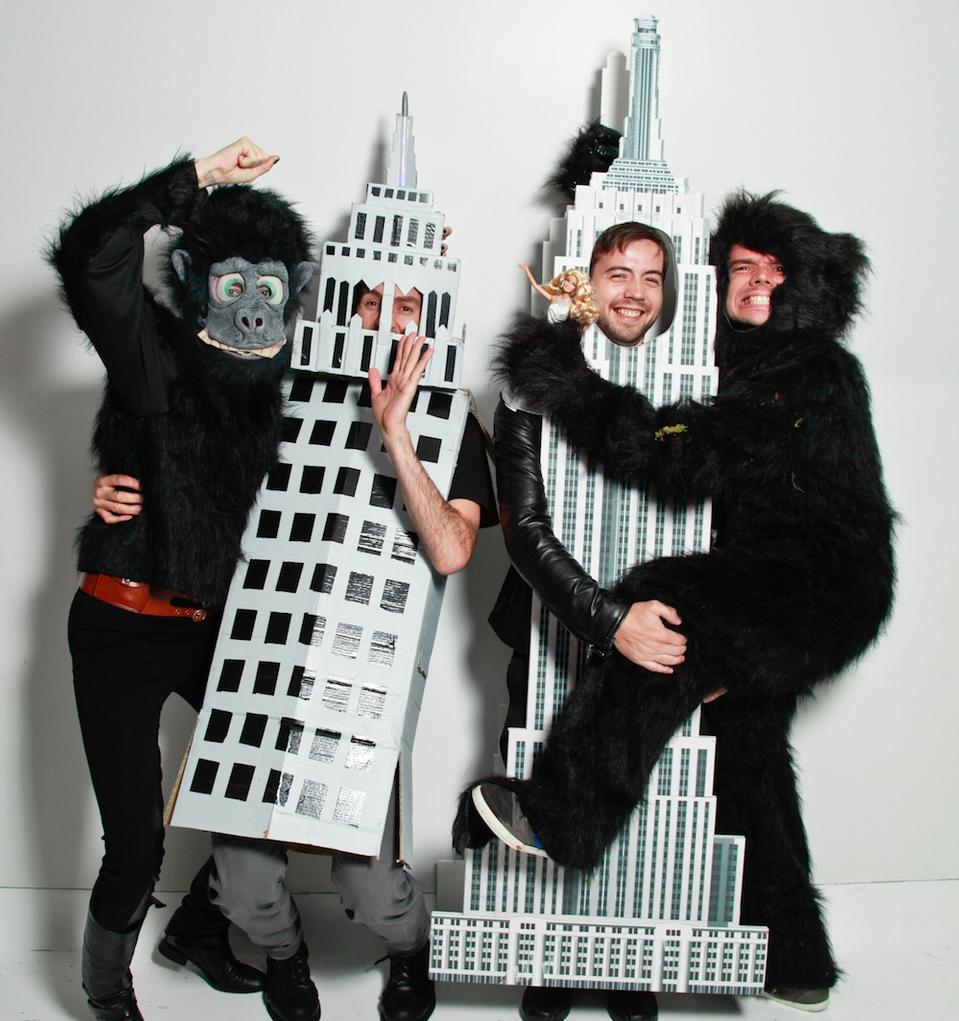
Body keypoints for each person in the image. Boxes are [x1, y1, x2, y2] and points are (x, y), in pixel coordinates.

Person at [461, 195, 895, 1014]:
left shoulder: (810, 370)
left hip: (816, 589)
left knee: (659, 601)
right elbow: (626, 250)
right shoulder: (723, 356)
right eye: (740, 268)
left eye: (776, 272)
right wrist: (592, 176)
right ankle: (795, 954)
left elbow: (673, 459)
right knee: (749, 754)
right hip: (779, 583)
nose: (756, 283)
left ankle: (564, 817)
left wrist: (564, 381)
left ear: (806, 287)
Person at [93, 331, 497, 1021]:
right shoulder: (273, 397)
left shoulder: (450, 418)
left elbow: (453, 548)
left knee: (368, 887)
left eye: (406, 308)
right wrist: (118, 492)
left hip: (362, 679)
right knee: (247, 883)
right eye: (373, 302)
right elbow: (193, 487)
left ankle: (410, 948)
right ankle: (283, 953)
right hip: (259, 661)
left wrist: (396, 431)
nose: (388, 322)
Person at [49, 138, 315, 1021]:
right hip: (123, 625)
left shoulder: (275, 388)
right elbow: (90, 259)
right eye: (231, 289)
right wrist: (193, 181)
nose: (249, 315)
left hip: (210, 626)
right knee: (136, 842)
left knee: (279, 762)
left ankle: (202, 923)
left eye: (266, 291)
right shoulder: (154, 355)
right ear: (198, 286)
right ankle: (103, 983)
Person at [470, 222, 686, 1021]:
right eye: (616, 270)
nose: (633, 290)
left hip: (661, 625)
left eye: (651, 276)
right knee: (545, 772)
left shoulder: (686, 381)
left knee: (643, 779)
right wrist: (609, 621)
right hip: (551, 622)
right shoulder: (532, 381)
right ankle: (552, 955)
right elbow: (522, 532)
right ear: (584, 278)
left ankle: (626, 955)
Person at [517, 264, 597, 325]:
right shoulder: (554, 298)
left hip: (560, 336)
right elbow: (535, 286)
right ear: (563, 280)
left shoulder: (573, 305)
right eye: (567, 280)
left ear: (575, 289)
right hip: (546, 330)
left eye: (573, 284)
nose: (568, 284)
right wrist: (526, 269)